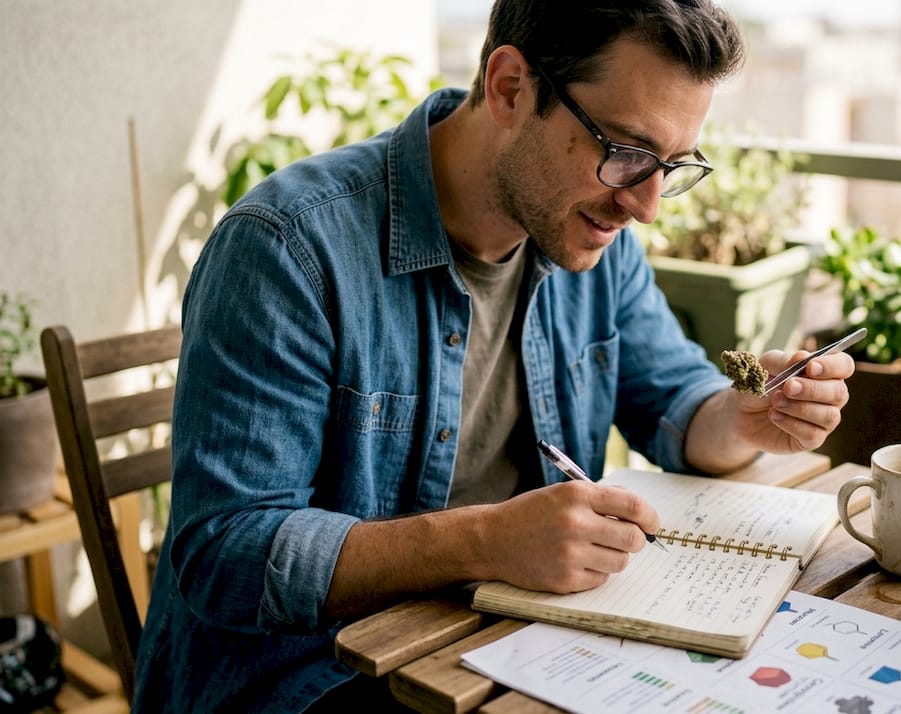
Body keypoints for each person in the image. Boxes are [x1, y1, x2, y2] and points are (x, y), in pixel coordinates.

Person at [132, 1, 855, 711]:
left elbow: (673, 401)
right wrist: (484, 540)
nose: (647, 205)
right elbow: (224, 553)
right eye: (627, 153)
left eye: (672, 164)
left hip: (517, 650)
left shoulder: (597, 244)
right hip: (312, 682)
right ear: (511, 86)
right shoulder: (288, 248)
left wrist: (744, 415)